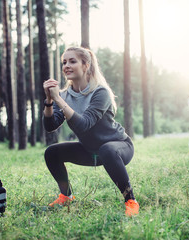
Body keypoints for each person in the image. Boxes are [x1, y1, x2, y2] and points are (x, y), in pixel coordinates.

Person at [42, 47, 139, 216]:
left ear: (85, 65)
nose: (66, 66)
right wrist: (50, 101)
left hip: (119, 148)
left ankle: (131, 200)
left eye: (72, 61)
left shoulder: (100, 92)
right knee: (52, 152)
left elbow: (84, 124)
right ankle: (66, 196)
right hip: (91, 151)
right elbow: (51, 125)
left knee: (107, 149)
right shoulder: (64, 95)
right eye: (64, 62)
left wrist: (57, 98)